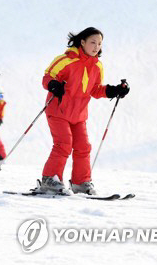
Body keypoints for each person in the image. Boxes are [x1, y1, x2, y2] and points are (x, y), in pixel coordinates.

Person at [39, 27, 129, 195]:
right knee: (64, 144)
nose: (96, 47)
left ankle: (81, 183)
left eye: (100, 43)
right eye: (93, 42)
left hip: (79, 115)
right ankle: (49, 180)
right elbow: (47, 77)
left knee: (83, 146)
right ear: (82, 42)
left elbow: (95, 90)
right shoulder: (66, 60)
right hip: (58, 110)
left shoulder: (97, 66)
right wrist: (53, 84)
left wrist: (114, 90)